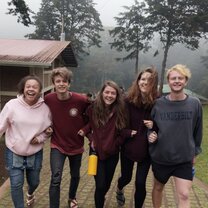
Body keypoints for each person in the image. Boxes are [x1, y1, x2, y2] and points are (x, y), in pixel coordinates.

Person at [148, 64, 203, 208]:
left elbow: (198, 131)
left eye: (180, 78)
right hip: (161, 157)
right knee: (158, 188)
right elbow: (151, 126)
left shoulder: (195, 103)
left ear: (186, 81)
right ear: (168, 81)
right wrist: (150, 135)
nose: (177, 81)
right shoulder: (158, 104)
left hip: (184, 159)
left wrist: (195, 153)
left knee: (184, 194)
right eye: (173, 78)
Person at [0, 75, 52, 208]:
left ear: (40, 90)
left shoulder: (45, 108)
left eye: (35, 87)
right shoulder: (11, 105)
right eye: (28, 86)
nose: (31, 89)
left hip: (35, 152)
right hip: (14, 151)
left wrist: (40, 138)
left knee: (34, 182)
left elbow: (49, 130)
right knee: (16, 184)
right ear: (23, 88)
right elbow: (1, 126)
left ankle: (30, 192)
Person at [44, 67, 89, 208]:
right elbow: (40, 114)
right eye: (58, 81)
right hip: (57, 144)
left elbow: (93, 116)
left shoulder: (81, 100)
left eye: (64, 81)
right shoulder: (48, 99)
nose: (61, 84)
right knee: (55, 178)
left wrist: (85, 129)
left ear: (69, 84)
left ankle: (72, 198)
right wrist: (47, 127)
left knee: (75, 175)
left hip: (76, 146)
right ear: (53, 83)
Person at [78, 80, 128, 208]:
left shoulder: (121, 110)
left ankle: (100, 197)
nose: (109, 95)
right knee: (100, 185)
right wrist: (90, 137)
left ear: (117, 96)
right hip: (95, 153)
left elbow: (123, 131)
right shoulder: (92, 108)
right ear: (101, 93)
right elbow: (88, 124)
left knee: (106, 184)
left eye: (113, 93)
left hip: (113, 153)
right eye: (107, 92)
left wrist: (117, 143)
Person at [116, 67, 158, 208]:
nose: (145, 82)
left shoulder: (158, 102)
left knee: (140, 183)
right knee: (126, 178)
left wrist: (154, 126)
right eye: (143, 79)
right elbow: (119, 124)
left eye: (149, 80)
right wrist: (127, 132)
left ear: (154, 83)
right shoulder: (127, 100)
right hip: (129, 146)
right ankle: (119, 188)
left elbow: (163, 125)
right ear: (138, 81)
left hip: (146, 149)